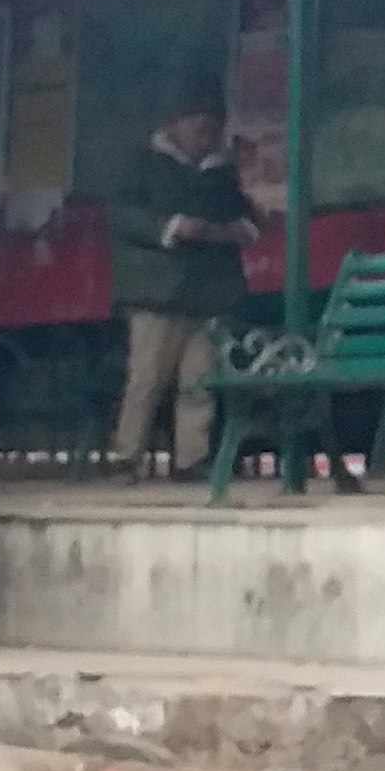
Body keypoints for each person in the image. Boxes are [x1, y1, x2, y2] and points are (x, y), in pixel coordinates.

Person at [107, 87, 252, 485]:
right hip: (155, 292)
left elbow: (244, 215)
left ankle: (191, 458)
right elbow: (122, 216)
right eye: (198, 125)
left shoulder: (220, 174)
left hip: (207, 293)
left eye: (212, 128)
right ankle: (126, 455)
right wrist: (171, 228)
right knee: (147, 378)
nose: (206, 135)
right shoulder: (142, 165)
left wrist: (236, 230)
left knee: (199, 381)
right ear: (175, 125)